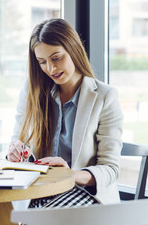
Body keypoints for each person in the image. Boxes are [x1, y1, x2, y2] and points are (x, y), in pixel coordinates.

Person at [7, 18, 124, 208]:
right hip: (39, 194)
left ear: (73, 49)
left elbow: (110, 169)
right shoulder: (33, 90)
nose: (51, 69)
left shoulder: (105, 96)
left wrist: (70, 175)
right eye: (42, 62)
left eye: (56, 58)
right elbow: (18, 139)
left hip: (86, 197)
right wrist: (15, 151)